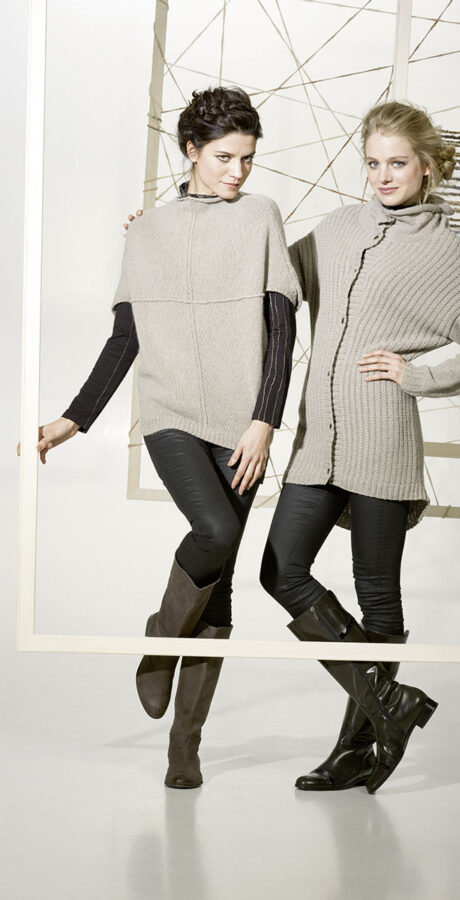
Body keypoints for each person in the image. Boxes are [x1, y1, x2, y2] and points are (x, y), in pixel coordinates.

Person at [22, 86, 301, 789]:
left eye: (247, 158)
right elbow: (126, 338)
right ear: (190, 151)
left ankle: (185, 746)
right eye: (224, 157)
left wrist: (264, 421)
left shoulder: (262, 217)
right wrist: (72, 419)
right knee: (215, 531)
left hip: (243, 424)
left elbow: (282, 328)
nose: (238, 171)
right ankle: (160, 640)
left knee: (221, 585)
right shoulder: (146, 231)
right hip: (170, 411)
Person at [259, 101, 460, 794]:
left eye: (397, 163)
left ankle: (354, 749)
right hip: (317, 438)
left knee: (378, 598)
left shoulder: (445, 252)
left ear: (427, 166)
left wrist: (419, 377)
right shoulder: (340, 228)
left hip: (382, 440)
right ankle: (391, 704)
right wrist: (169, 234)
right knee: (280, 570)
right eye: (373, 163)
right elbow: (272, 279)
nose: (383, 175)